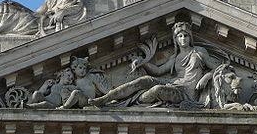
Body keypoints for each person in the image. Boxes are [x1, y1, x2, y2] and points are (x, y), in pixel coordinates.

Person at [89, 21, 220, 107]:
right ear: (176, 40)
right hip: (174, 84)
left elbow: (218, 68)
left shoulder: (199, 52)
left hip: (187, 94)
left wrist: (206, 76)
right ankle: (106, 98)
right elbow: (157, 71)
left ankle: (125, 101)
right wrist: (143, 62)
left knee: (157, 89)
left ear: (190, 37)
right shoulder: (176, 57)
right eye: (180, 36)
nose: (183, 39)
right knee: (144, 80)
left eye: (185, 36)